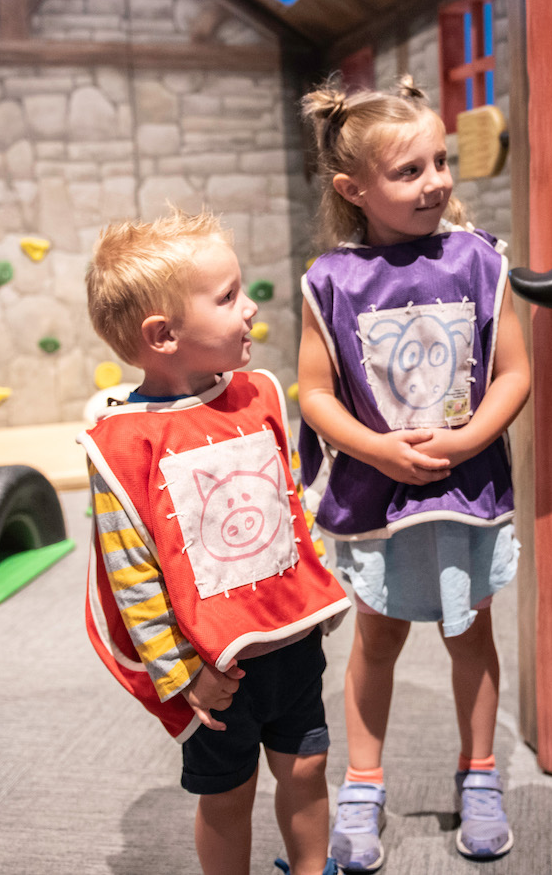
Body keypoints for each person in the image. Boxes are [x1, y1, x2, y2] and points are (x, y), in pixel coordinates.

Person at [296, 76, 532, 870]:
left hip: (466, 497)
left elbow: (514, 376)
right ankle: (362, 786)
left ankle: (481, 777)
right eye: (410, 171)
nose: (436, 182)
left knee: (471, 634)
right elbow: (315, 393)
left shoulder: (480, 260)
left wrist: (468, 442)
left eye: (440, 162)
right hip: (377, 500)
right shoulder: (330, 282)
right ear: (352, 189)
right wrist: (374, 448)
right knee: (378, 639)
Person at [81, 210, 350, 875]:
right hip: (216, 672)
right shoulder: (123, 445)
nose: (249, 307)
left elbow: (286, 501)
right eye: (227, 297)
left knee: (309, 764)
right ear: (163, 335)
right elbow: (132, 576)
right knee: (228, 796)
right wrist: (183, 678)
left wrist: (313, 591)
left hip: (290, 644)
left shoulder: (257, 394)